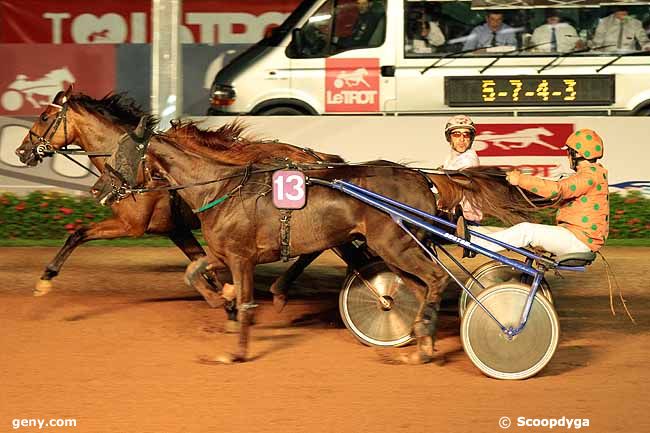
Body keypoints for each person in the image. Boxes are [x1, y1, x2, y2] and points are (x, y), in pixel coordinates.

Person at [470, 128, 609, 257]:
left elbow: (556, 190)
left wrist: (520, 180)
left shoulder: (589, 176)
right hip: (575, 237)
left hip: (578, 241)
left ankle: (474, 245)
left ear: (577, 153)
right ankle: (473, 233)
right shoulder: (590, 174)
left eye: (569, 152)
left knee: (526, 231)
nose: (568, 157)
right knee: (513, 231)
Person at [440, 115, 482, 222]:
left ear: (471, 138)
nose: (462, 139)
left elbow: (444, 184)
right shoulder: (451, 157)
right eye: (456, 134)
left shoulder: (469, 159)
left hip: (465, 220)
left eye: (466, 135)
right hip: (452, 215)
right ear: (449, 138)